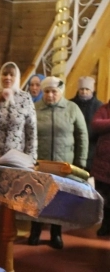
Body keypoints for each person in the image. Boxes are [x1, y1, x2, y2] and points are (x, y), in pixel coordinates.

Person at [0, 61, 37, 255]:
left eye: (11, 75)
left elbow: (31, 130)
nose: (7, 78)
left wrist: (32, 158)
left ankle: (5, 237)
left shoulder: (25, 98)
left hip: (14, 160)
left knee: (7, 201)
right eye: (4, 74)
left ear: (17, 77)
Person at [29, 76, 88, 249]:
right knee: (37, 199)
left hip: (64, 165)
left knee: (59, 199)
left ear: (60, 92)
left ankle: (56, 233)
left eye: (54, 92)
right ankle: (35, 231)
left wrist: (80, 161)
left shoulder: (72, 108)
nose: (50, 95)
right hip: (40, 163)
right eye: (46, 91)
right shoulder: (35, 108)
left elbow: (82, 135)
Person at [70, 76, 102, 171]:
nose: (84, 92)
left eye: (87, 89)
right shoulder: (71, 104)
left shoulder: (99, 106)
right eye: (82, 89)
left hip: (92, 147)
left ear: (92, 90)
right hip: (74, 145)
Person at [91, 101, 110, 236]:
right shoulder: (105, 108)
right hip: (104, 160)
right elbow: (96, 124)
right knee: (104, 196)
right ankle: (105, 224)